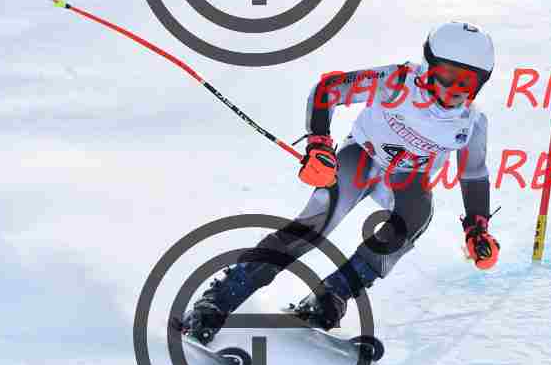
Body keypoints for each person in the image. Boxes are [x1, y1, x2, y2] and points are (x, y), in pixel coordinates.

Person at [179, 22, 501, 344]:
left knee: (415, 217)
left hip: (407, 177)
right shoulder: (398, 81)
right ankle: (221, 298)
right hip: (360, 157)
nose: (454, 89)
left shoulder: (472, 123)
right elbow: (329, 89)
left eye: (467, 81)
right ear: (429, 67)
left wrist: (477, 228)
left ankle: (331, 294)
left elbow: (473, 173)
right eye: (447, 75)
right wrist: (319, 144)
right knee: (315, 225)